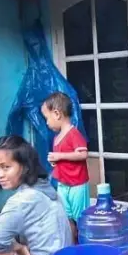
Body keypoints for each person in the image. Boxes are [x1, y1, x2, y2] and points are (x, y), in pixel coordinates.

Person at [41, 92, 90, 228]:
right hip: (63, 184)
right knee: (66, 217)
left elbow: (82, 154)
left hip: (76, 184)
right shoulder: (57, 138)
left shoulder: (73, 133)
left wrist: (60, 156)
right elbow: (62, 159)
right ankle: (71, 244)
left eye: (47, 118)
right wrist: (55, 161)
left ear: (57, 114)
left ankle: (82, 245)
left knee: (80, 218)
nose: (47, 122)